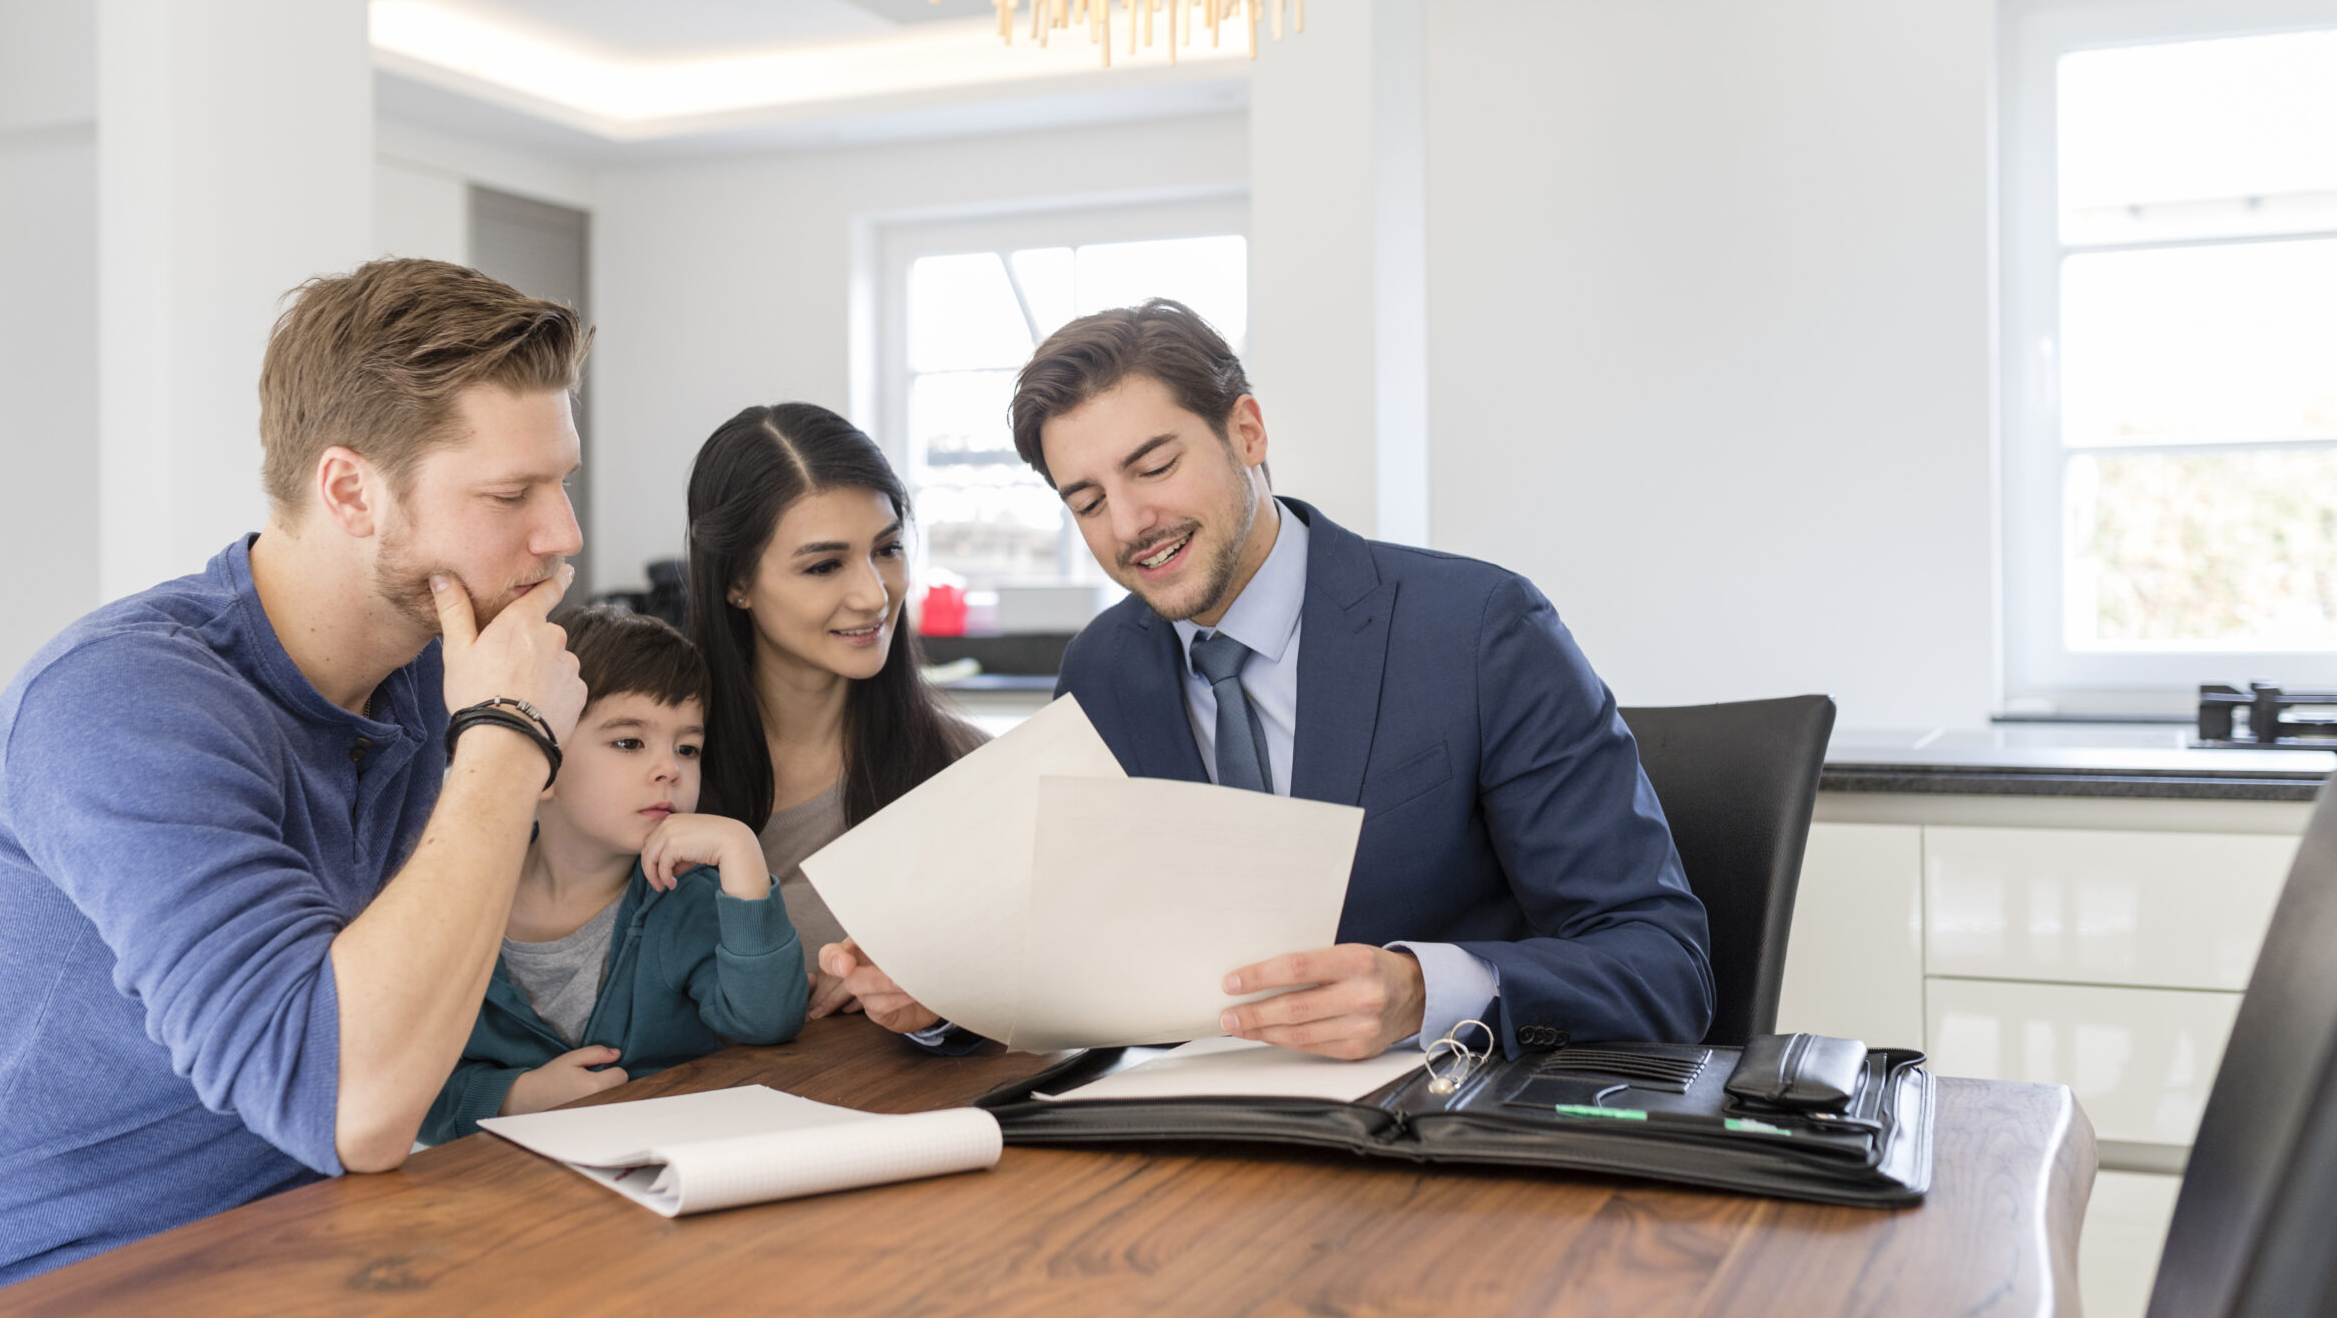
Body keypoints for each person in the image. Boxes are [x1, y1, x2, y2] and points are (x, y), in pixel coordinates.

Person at [0, 258, 592, 1318]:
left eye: (562, 482)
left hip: (275, 1273)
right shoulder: (122, 702)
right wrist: (508, 745)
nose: (561, 533)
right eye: (510, 495)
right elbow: (350, 1104)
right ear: (348, 490)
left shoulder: (435, 672)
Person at [829, 300, 1713, 1059]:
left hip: (1446, 1138)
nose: (1132, 523)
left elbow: (1663, 963)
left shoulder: (1480, 629)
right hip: (1202, 1148)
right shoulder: (1103, 669)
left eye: (1155, 465)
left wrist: (1421, 989)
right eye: (1088, 501)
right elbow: (1079, 959)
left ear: (1246, 430)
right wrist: (944, 990)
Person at [419, 607, 808, 1143]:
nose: (670, 768)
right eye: (629, 742)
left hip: (660, 1173)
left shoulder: (687, 896)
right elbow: (412, 1084)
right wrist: (516, 1098)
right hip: (503, 1193)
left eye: (688, 748)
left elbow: (767, 1022)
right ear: (540, 761)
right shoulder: (451, 902)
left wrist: (742, 855)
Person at [681, 403, 983, 1028]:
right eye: (824, 565)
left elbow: (1032, 1002)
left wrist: (940, 1003)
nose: (874, 594)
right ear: (736, 582)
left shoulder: (966, 772)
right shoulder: (651, 768)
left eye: (888, 549)